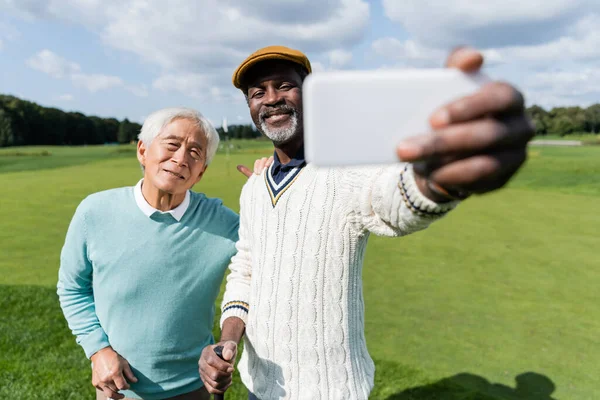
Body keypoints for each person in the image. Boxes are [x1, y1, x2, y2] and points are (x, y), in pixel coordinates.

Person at [198, 45, 534, 400]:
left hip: (331, 391)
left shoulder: (346, 169)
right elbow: (246, 270)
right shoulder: (254, 188)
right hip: (260, 387)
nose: (271, 99)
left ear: (309, 93)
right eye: (258, 92)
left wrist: (437, 181)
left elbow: (394, 200)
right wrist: (228, 340)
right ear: (250, 108)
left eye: (284, 86)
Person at [57, 107, 270, 400]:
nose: (181, 158)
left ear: (200, 173)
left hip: (195, 388)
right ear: (143, 151)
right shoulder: (93, 212)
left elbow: (275, 252)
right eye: (172, 145)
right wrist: (98, 350)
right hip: (118, 390)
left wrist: (270, 196)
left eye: (195, 153)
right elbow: (72, 288)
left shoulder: (226, 224)